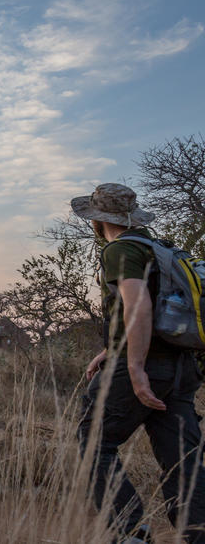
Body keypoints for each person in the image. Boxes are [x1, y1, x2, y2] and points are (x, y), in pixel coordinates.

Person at [74, 183, 205, 543]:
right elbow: (155, 310)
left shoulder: (121, 249)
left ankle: (130, 530)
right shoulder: (159, 248)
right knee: (183, 461)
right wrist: (111, 347)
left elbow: (138, 307)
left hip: (146, 367)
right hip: (181, 367)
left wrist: (134, 367)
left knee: (94, 441)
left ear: (98, 220)